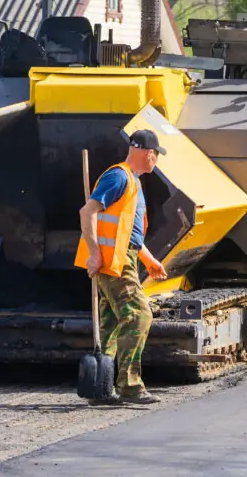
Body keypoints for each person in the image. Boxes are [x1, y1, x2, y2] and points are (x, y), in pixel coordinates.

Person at [76, 129, 169, 406]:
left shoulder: (132, 181)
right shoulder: (118, 177)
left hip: (121, 257)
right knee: (139, 315)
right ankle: (129, 385)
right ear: (149, 154)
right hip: (113, 261)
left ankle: (101, 388)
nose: (156, 160)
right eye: (156, 155)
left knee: (112, 322)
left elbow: (128, 233)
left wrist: (148, 259)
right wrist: (94, 254)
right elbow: (87, 212)